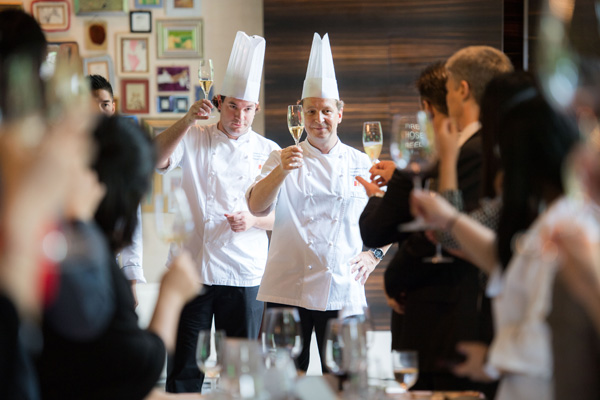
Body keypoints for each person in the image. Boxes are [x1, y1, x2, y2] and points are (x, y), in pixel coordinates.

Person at [359, 46, 512, 394]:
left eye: (447, 90)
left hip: (451, 316)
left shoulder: (476, 150)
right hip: (436, 312)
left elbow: (451, 230)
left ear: (461, 90)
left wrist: (400, 272)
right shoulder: (469, 146)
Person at [409, 93, 581, 400]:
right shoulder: (552, 213)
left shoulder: (564, 227)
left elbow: (542, 336)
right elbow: (510, 265)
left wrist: (489, 359)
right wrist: (450, 220)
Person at [247, 33, 390, 372]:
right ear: (301, 114)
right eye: (311, 111)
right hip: (286, 289)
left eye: (326, 111)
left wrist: (375, 255)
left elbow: (394, 216)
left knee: (343, 380)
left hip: (343, 289)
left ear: (340, 113)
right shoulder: (280, 157)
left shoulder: (361, 162)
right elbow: (256, 207)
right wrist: (281, 171)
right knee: (281, 382)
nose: (318, 119)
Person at [37, 116, 201, 400]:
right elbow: (134, 367)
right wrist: (171, 296)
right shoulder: (81, 250)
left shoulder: (68, 234)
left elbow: (109, 374)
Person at [155, 32, 280, 393]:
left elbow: (283, 217)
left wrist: (255, 220)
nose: (239, 117)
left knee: (240, 377)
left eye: (248, 109)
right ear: (218, 101)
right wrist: (187, 120)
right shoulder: (194, 137)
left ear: (256, 109)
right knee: (183, 372)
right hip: (192, 270)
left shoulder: (270, 151)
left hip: (245, 274)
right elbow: (156, 158)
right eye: (232, 106)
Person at [88, 74, 146, 307]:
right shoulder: (68, 150)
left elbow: (133, 220)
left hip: (111, 265)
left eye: (105, 104)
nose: (100, 111)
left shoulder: (124, 152)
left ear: (113, 106)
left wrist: (132, 280)